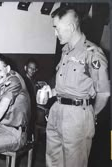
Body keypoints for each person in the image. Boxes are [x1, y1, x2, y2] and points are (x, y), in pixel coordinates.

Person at [41, 6, 110, 167]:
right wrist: (51, 91)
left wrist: (91, 115)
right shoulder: (65, 51)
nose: (55, 33)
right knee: (52, 162)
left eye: (56, 28)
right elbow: (68, 86)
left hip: (78, 116)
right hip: (56, 112)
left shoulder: (92, 53)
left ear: (71, 27)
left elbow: (104, 93)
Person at [23, 58, 39, 140]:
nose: (32, 70)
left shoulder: (33, 81)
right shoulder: (23, 81)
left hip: (32, 111)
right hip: (26, 111)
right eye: (30, 68)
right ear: (25, 68)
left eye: (34, 69)